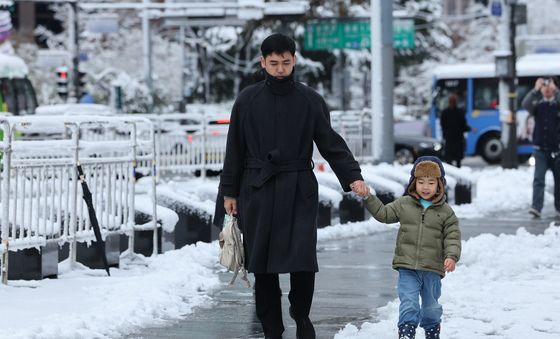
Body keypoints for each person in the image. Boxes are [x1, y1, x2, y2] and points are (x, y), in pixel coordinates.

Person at [218, 33, 368, 339]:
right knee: (263, 263)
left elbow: (330, 143)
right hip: (257, 188)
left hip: (299, 188)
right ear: (262, 62)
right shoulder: (247, 100)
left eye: (286, 62)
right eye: (273, 63)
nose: (280, 69)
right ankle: (271, 327)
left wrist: (353, 175)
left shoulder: (310, 100)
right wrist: (229, 192)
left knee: (302, 260)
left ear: (294, 60)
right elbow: (234, 148)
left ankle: (301, 316)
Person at [362, 156, 461, 339]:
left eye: (431, 182)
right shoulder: (404, 204)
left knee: (431, 308)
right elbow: (384, 214)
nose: (425, 187)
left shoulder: (446, 212)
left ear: (439, 184)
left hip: (432, 269)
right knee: (409, 304)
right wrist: (368, 197)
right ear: (413, 182)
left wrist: (452, 256)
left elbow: (452, 236)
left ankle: (432, 333)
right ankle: (406, 334)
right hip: (407, 267)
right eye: (421, 182)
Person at [522, 77, 560, 218]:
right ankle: (536, 207)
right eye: (544, 86)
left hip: (557, 149)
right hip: (540, 150)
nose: (547, 88)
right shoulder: (537, 104)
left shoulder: (557, 103)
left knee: (559, 180)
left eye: (550, 85)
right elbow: (525, 104)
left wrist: (556, 91)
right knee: (538, 179)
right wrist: (535, 90)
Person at [439, 93, 471, 168]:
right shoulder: (460, 112)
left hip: (449, 139)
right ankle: (457, 173)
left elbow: (442, 125)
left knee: (449, 159)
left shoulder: (445, 112)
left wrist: (445, 134)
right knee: (458, 160)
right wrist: (469, 129)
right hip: (458, 138)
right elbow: (464, 125)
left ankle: (451, 174)